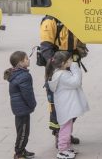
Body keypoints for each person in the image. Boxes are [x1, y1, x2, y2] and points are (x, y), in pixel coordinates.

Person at [39, 16, 87, 147]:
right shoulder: (50, 22)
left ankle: (65, 133)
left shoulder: (73, 17)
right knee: (57, 106)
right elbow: (45, 48)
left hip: (70, 66)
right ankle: (59, 136)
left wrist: (81, 49)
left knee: (73, 103)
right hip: (58, 67)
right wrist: (58, 67)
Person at [47, 51, 90, 159]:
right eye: (70, 60)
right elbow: (76, 82)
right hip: (66, 107)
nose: (72, 61)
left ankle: (67, 147)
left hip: (66, 106)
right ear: (63, 63)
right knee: (65, 129)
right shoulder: (61, 75)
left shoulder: (60, 72)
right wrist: (76, 68)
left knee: (67, 128)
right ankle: (62, 150)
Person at [4, 51, 37, 159]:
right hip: (22, 108)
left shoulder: (16, 73)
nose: (29, 60)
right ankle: (18, 154)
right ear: (20, 63)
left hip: (19, 107)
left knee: (22, 130)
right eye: (26, 59)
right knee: (23, 132)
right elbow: (27, 93)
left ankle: (22, 149)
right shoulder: (24, 76)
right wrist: (33, 104)